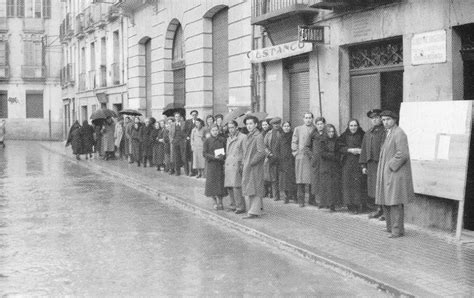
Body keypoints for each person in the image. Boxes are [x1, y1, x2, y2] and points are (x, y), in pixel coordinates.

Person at [376, 110, 414, 238]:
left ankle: (397, 231)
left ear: (394, 120)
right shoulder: (389, 133)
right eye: (383, 120)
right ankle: (390, 227)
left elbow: (402, 154)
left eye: (388, 119)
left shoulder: (399, 133)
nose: (385, 122)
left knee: (394, 201)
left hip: (395, 173)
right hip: (388, 173)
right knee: (386, 200)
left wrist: (390, 166)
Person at [359, 109, 386, 220]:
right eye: (372, 118)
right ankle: (379, 209)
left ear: (380, 118)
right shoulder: (368, 133)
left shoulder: (385, 132)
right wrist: (363, 165)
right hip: (371, 165)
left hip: (381, 164)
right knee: (374, 189)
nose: (374, 120)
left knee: (383, 187)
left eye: (376, 118)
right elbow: (364, 150)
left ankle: (386, 212)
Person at [338, 119, 365, 214]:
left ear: (358, 126)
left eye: (355, 125)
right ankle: (350, 205)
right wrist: (349, 150)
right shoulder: (344, 135)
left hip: (358, 162)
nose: (353, 128)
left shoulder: (362, 135)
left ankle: (358, 205)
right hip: (347, 162)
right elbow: (339, 147)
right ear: (348, 126)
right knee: (347, 183)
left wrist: (361, 150)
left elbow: (366, 147)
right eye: (351, 126)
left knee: (357, 184)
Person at [241, 115, 266, 219]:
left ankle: (254, 211)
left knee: (255, 187)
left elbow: (261, 152)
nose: (249, 126)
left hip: (254, 167)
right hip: (249, 166)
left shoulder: (258, 136)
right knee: (251, 187)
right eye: (247, 124)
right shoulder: (249, 135)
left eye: (251, 123)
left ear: (256, 124)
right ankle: (256, 209)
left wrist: (251, 162)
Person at [292, 112, 315, 207]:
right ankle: (301, 200)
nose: (308, 119)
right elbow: (294, 141)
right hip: (301, 157)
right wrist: (295, 152)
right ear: (303, 119)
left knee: (311, 179)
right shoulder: (298, 129)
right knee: (300, 179)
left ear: (312, 119)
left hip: (311, 157)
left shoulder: (315, 129)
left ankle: (311, 199)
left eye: (310, 118)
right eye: (306, 118)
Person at [203, 124, 227, 210]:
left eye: (216, 130)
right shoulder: (207, 141)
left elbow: (226, 150)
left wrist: (223, 157)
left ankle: (220, 201)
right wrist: (213, 157)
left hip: (220, 164)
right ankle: (214, 201)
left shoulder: (222, 140)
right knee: (212, 183)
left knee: (220, 183)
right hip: (211, 164)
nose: (215, 132)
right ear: (210, 131)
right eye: (213, 130)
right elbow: (204, 153)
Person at [224, 120, 246, 214]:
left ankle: (240, 206)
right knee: (229, 186)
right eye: (229, 128)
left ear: (237, 127)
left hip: (237, 164)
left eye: (232, 127)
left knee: (237, 186)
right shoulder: (229, 138)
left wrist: (242, 164)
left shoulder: (243, 137)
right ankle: (233, 205)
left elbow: (245, 152)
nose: (231, 129)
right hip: (229, 164)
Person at [320, 124, 341, 211]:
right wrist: (332, 155)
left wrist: (335, 156)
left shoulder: (337, 140)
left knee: (334, 186)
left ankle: (334, 204)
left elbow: (339, 152)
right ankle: (328, 203)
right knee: (327, 186)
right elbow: (322, 153)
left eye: (333, 131)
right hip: (326, 166)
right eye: (329, 132)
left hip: (335, 166)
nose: (331, 134)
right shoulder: (322, 141)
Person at [306, 116, 326, 207]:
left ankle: (325, 200)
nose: (320, 126)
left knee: (324, 180)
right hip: (316, 161)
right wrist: (312, 156)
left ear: (324, 124)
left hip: (326, 161)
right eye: (318, 124)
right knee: (316, 181)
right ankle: (317, 200)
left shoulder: (327, 133)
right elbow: (307, 147)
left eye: (321, 124)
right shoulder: (313, 134)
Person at [264, 117, 283, 201]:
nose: (276, 125)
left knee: (282, 177)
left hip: (282, 158)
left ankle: (286, 195)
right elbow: (264, 146)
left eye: (278, 123)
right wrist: (269, 153)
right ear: (272, 125)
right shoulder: (268, 134)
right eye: (275, 124)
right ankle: (276, 195)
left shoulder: (283, 132)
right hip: (272, 158)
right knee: (274, 177)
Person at [278, 121, 297, 204]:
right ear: (282, 127)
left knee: (293, 178)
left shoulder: (293, 135)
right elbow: (277, 148)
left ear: (290, 127)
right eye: (285, 126)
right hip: (283, 160)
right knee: (285, 180)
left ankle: (294, 195)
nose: (286, 127)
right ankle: (286, 196)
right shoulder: (280, 137)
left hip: (292, 160)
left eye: (288, 126)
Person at [261, 119, 273, 198]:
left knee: (270, 174)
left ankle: (271, 191)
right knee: (264, 175)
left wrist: (269, 153)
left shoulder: (270, 133)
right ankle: (265, 190)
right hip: (263, 156)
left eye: (266, 124)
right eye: (263, 125)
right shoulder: (261, 134)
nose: (264, 126)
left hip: (269, 155)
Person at [185, 110, 199, 176]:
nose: (194, 116)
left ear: (197, 115)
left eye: (195, 114)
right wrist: (186, 137)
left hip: (197, 141)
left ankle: (195, 171)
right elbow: (184, 131)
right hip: (189, 141)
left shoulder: (200, 121)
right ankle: (190, 171)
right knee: (190, 157)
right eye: (193, 115)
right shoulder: (187, 122)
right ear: (191, 115)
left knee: (195, 156)